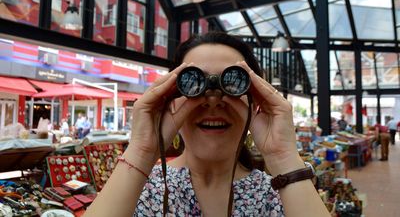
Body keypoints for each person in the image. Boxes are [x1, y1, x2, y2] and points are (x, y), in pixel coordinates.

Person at [84, 32, 330, 217]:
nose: (213, 101)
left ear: (257, 100)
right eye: (193, 86)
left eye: (232, 86)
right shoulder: (140, 188)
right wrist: (141, 151)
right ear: (170, 98)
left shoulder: (280, 192)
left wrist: (284, 156)